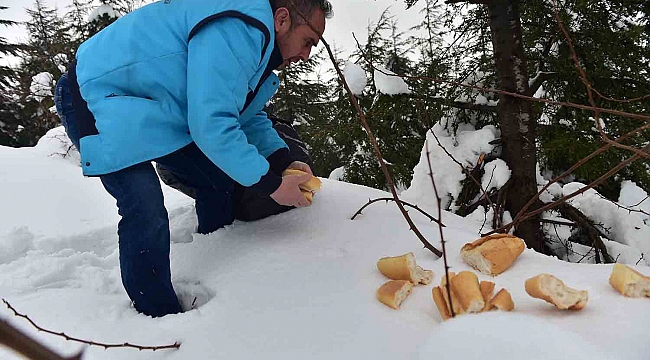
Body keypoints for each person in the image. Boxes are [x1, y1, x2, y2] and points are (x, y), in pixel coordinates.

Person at [53, 0, 332, 317]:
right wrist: (271, 184)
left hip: (152, 105)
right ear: (282, 19)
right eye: (308, 41)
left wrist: (284, 161)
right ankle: (157, 317)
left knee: (216, 181)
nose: (307, 54)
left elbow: (247, 117)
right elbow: (212, 124)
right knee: (143, 204)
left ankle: (220, 259)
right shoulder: (240, 27)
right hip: (95, 93)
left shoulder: (257, 53)